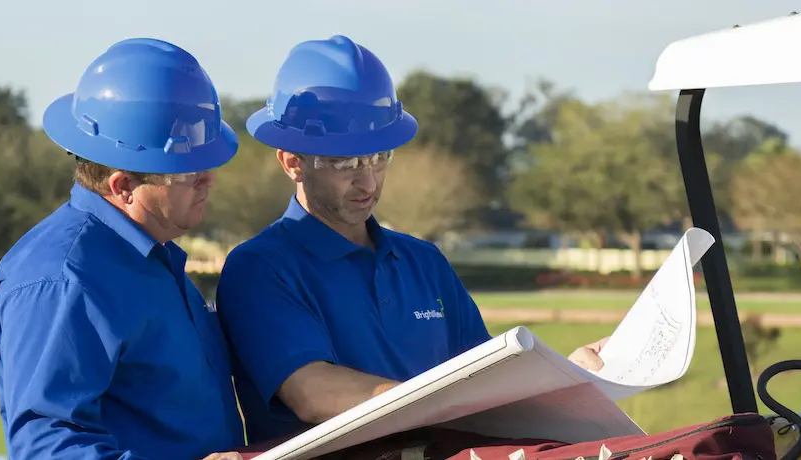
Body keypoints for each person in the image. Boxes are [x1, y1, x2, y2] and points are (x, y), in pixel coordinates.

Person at [214, 35, 609, 445]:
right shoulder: (260, 267)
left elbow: (485, 379)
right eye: (345, 162)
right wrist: (447, 404)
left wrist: (566, 376)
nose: (367, 181)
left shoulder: (424, 261)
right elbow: (313, 393)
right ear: (292, 161)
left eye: (379, 157)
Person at [0, 38, 245, 460]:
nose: (208, 180)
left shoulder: (154, 255)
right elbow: (46, 447)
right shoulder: (62, 280)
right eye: (188, 171)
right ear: (123, 187)